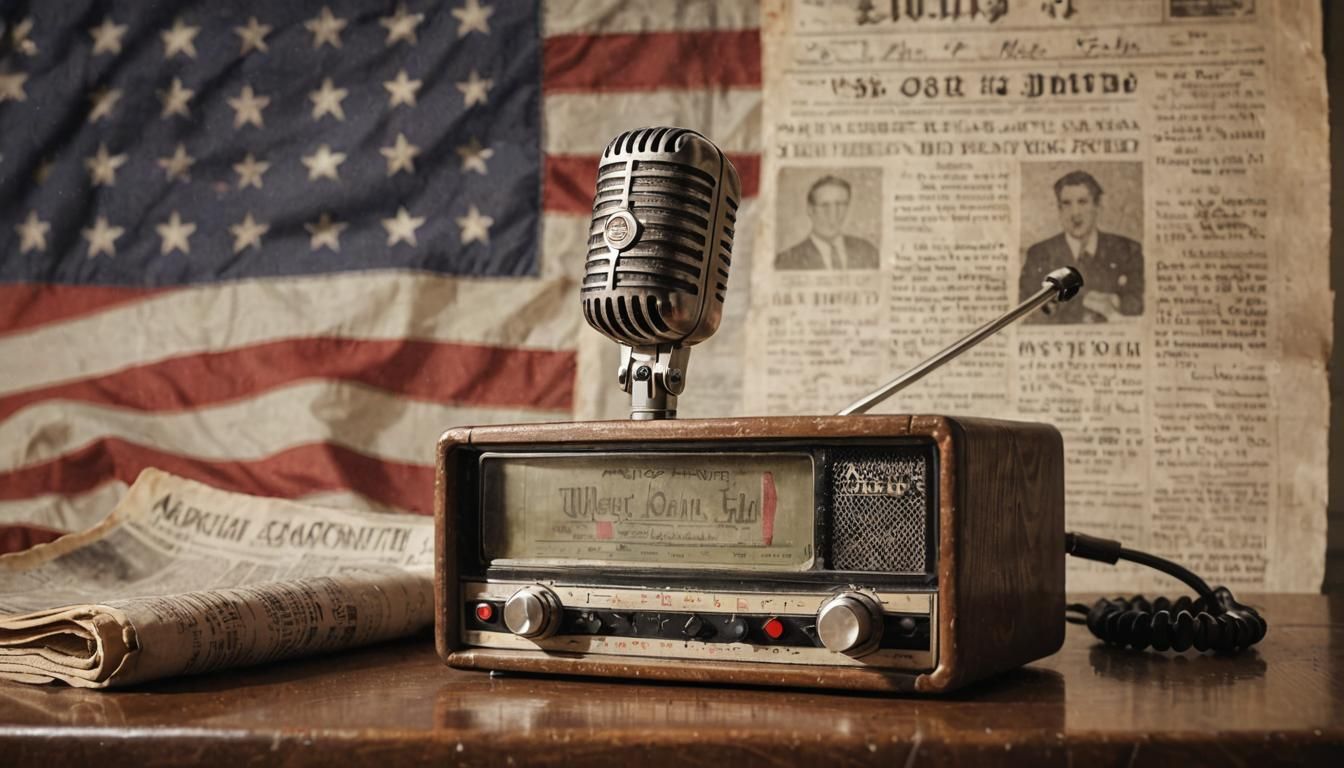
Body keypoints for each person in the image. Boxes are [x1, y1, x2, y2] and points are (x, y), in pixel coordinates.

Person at [1020, 170, 1143, 324]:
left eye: (1082, 202)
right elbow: (1024, 307)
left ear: (1097, 206)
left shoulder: (1127, 250)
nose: (1075, 213)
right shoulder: (1039, 254)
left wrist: (1114, 300)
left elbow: (1142, 298)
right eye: (1066, 204)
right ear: (1059, 209)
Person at [775, 175, 880, 270]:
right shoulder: (786, 261)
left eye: (840, 204)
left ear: (848, 207)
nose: (833, 214)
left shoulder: (868, 252)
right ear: (810, 210)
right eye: (825, 205)